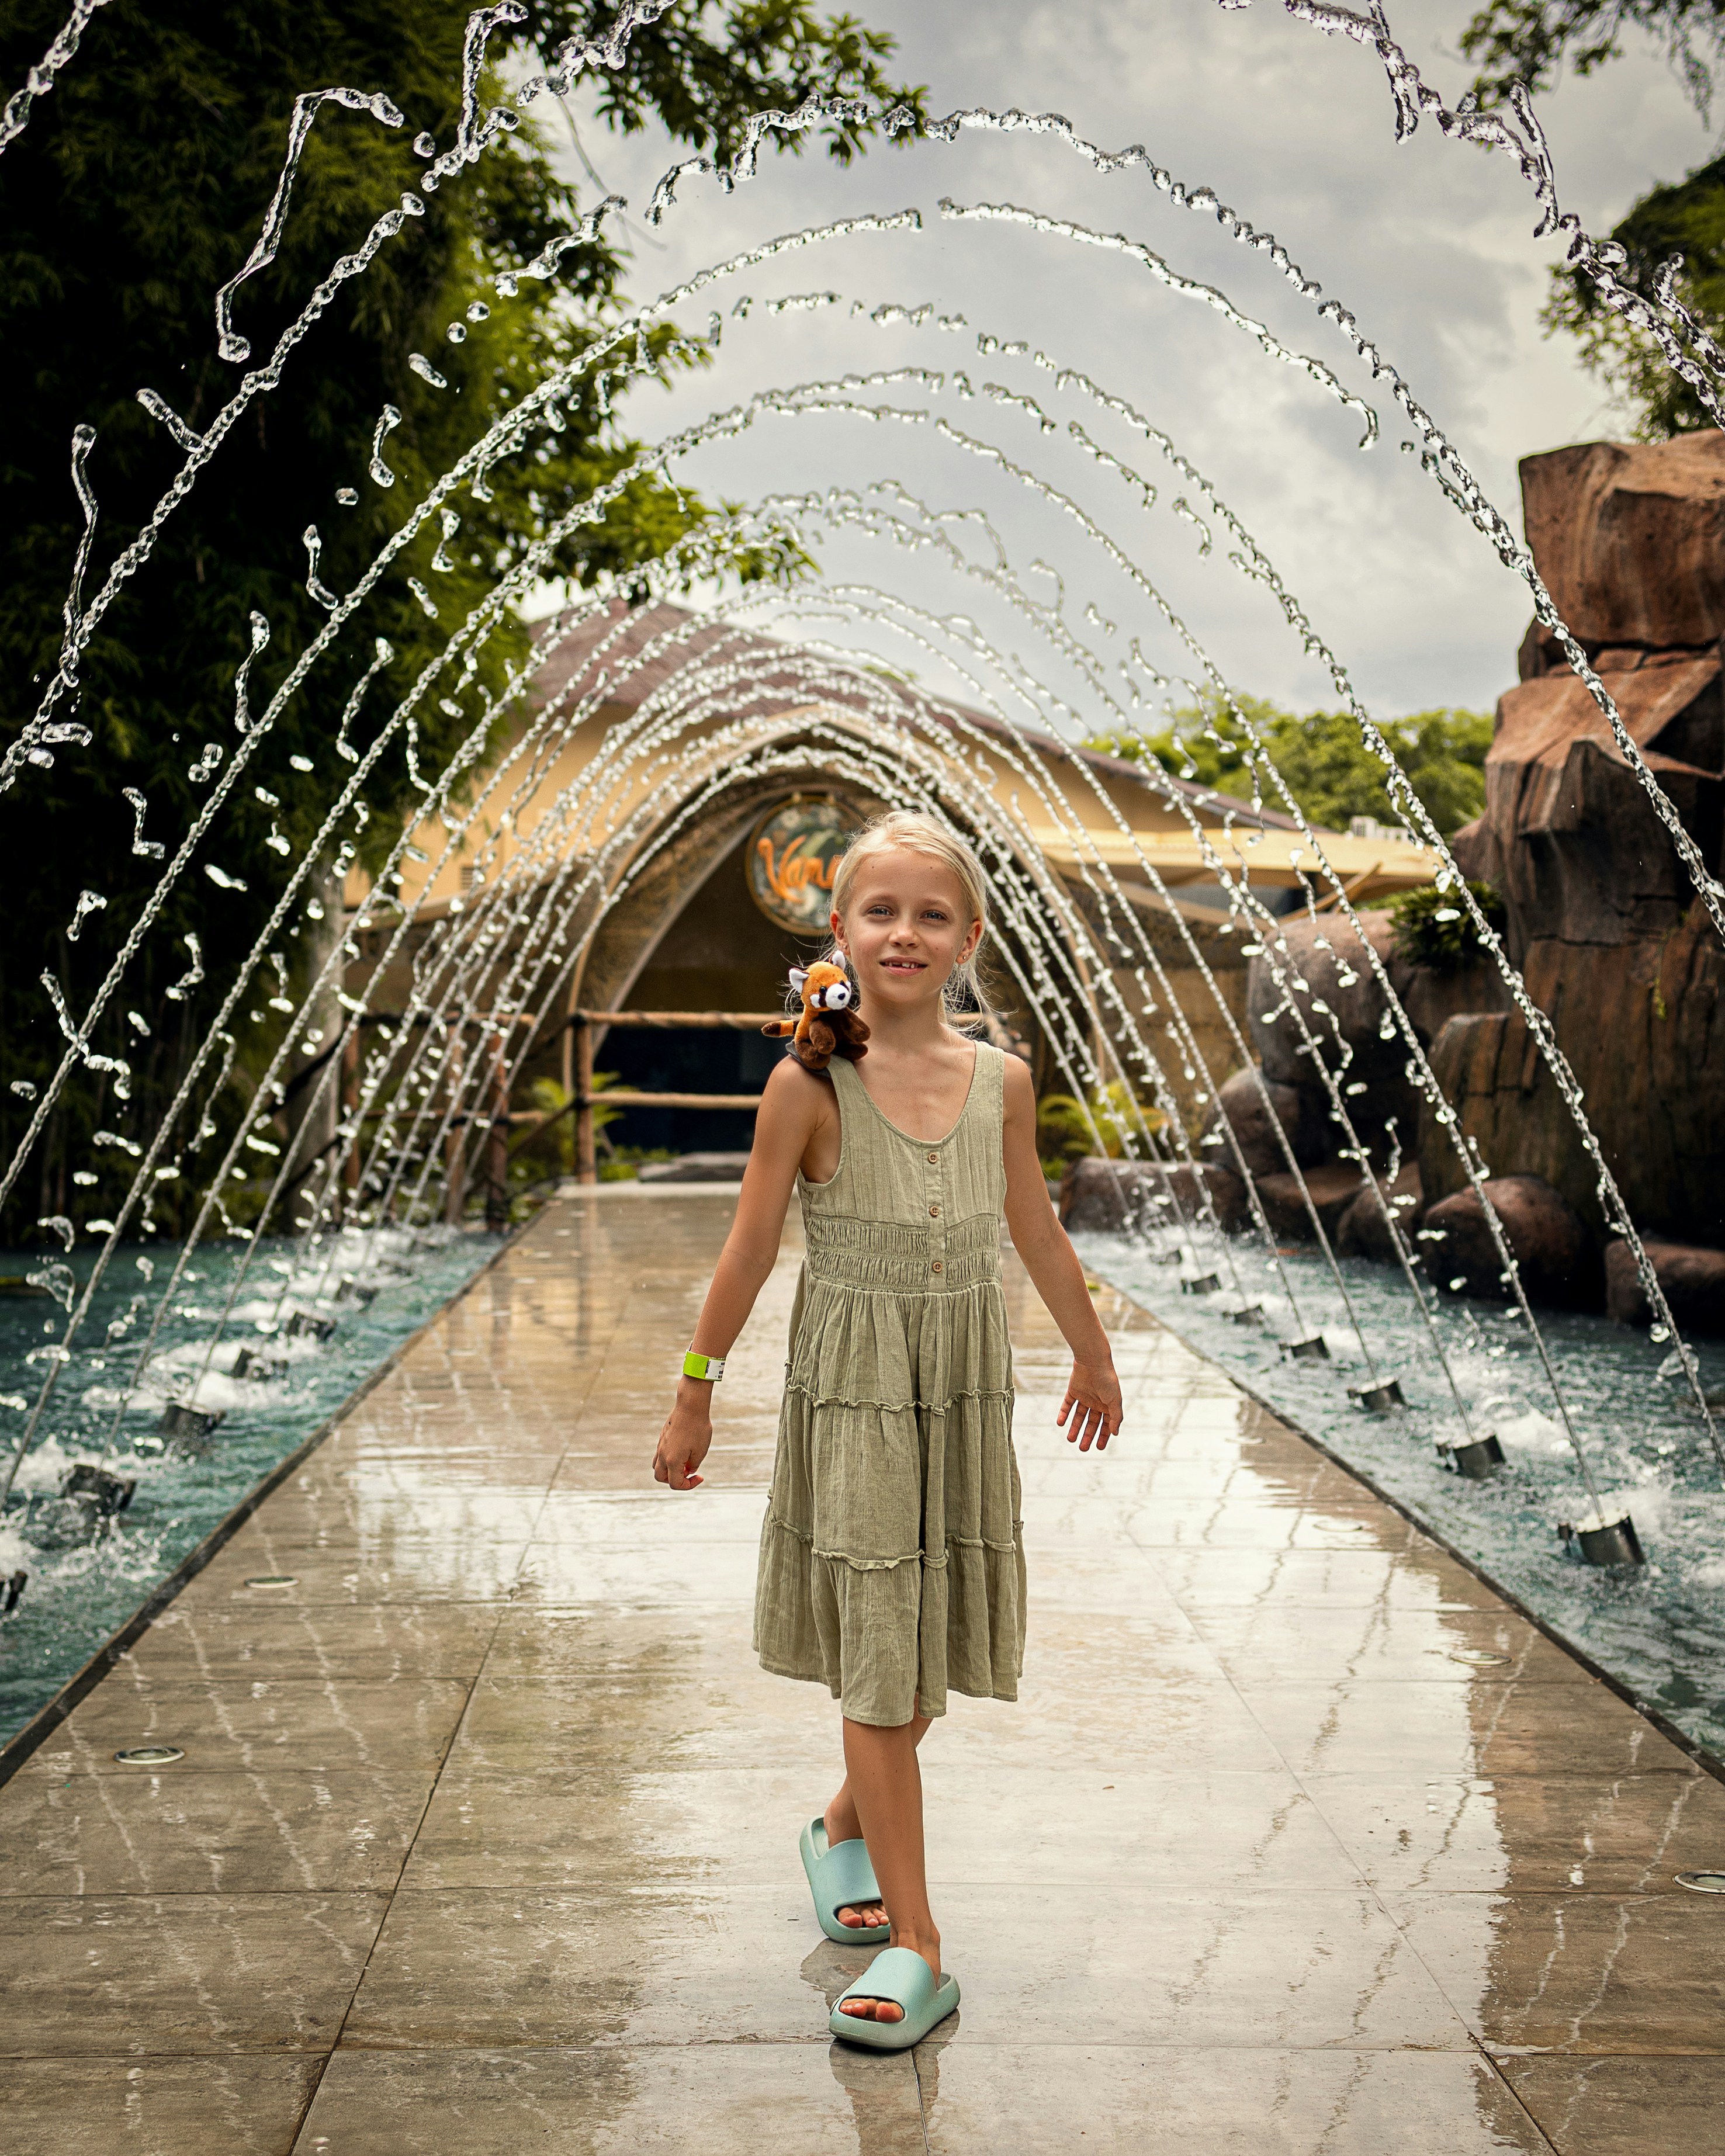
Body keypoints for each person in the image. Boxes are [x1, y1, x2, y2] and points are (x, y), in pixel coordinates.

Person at [651, 809, 1123, 2049]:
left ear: (967, 939)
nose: (903, 932)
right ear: (841, 933)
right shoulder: (807, 1087)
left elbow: (1035, 1228)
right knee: (879, 1655)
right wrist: (696, 1385)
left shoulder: (1003, 1084)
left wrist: (1092, 1347)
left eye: (929, 914)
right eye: (880, 911)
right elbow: (750, 1247)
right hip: (855, 1395)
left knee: (925, 1655)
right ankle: (920, 1944)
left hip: (959, 1391)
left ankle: (840, 1830)